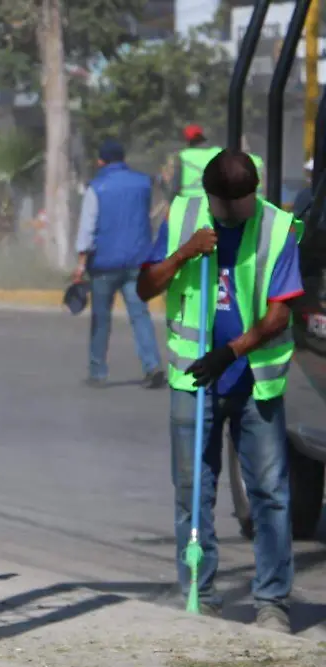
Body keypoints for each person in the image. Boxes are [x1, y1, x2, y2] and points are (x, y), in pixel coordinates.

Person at [137, 149, 301, 632]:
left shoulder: (276, 227)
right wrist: (184, 252)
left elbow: (279, 313)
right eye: (227, 206)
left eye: (244, 203)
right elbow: (146, 287)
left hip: (255, 383)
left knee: (269, 493)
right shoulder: (183, 215)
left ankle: (272, 603)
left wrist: (232, 351)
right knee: (192, 490)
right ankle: (199, 591)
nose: (237, 214)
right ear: (210, 198)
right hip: (193, 381)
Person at [73, 139, 163, 388]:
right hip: (137, 261)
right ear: (123, 159)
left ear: (101, 161)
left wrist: (81, 263)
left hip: (104, 264)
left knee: (101, 319)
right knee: (140, 315)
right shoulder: (143, 183)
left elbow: (87, 229)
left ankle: (98, 372)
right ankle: (152, 365)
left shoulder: (96, 187)